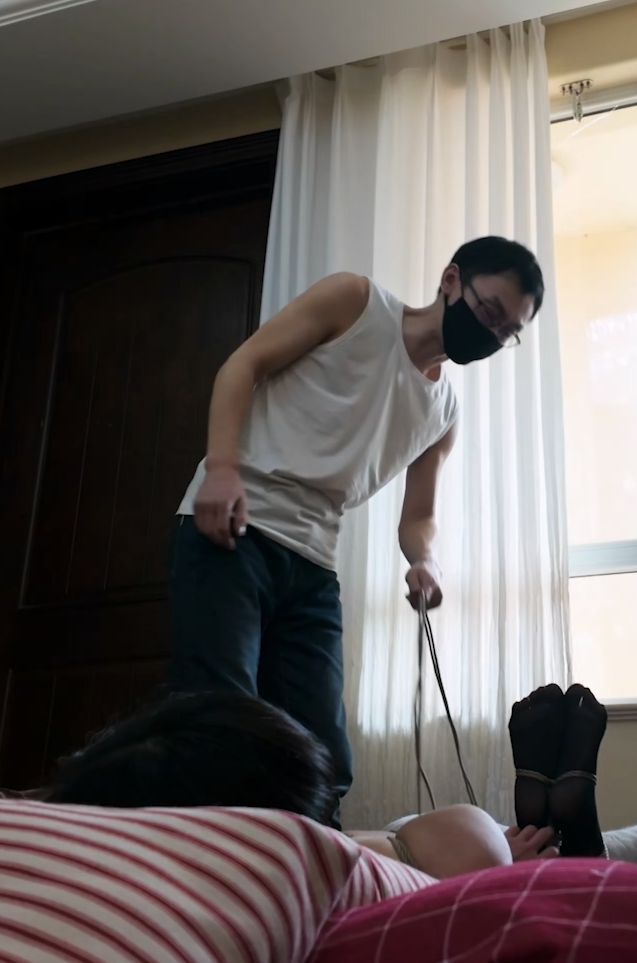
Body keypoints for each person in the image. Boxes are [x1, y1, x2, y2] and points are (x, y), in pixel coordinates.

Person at [168, 237, 545, 822]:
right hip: (235, 525)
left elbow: (418, 516)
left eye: (506, 332)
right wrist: (221, 469)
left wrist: (425, 561)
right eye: (489, 312)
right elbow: (243, 365)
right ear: (451, 280)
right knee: (220, 721)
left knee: (323, 758)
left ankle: (319, 869)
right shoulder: (355, 303)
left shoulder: (443, 411)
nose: (490, 334)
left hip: (314, 563)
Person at [45, 691, 557, 878]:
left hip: (405, 840)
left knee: (496, 837)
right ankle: (569, 827)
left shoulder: (108, 806)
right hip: (422, 851)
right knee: (521, 843)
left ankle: (559, 824)